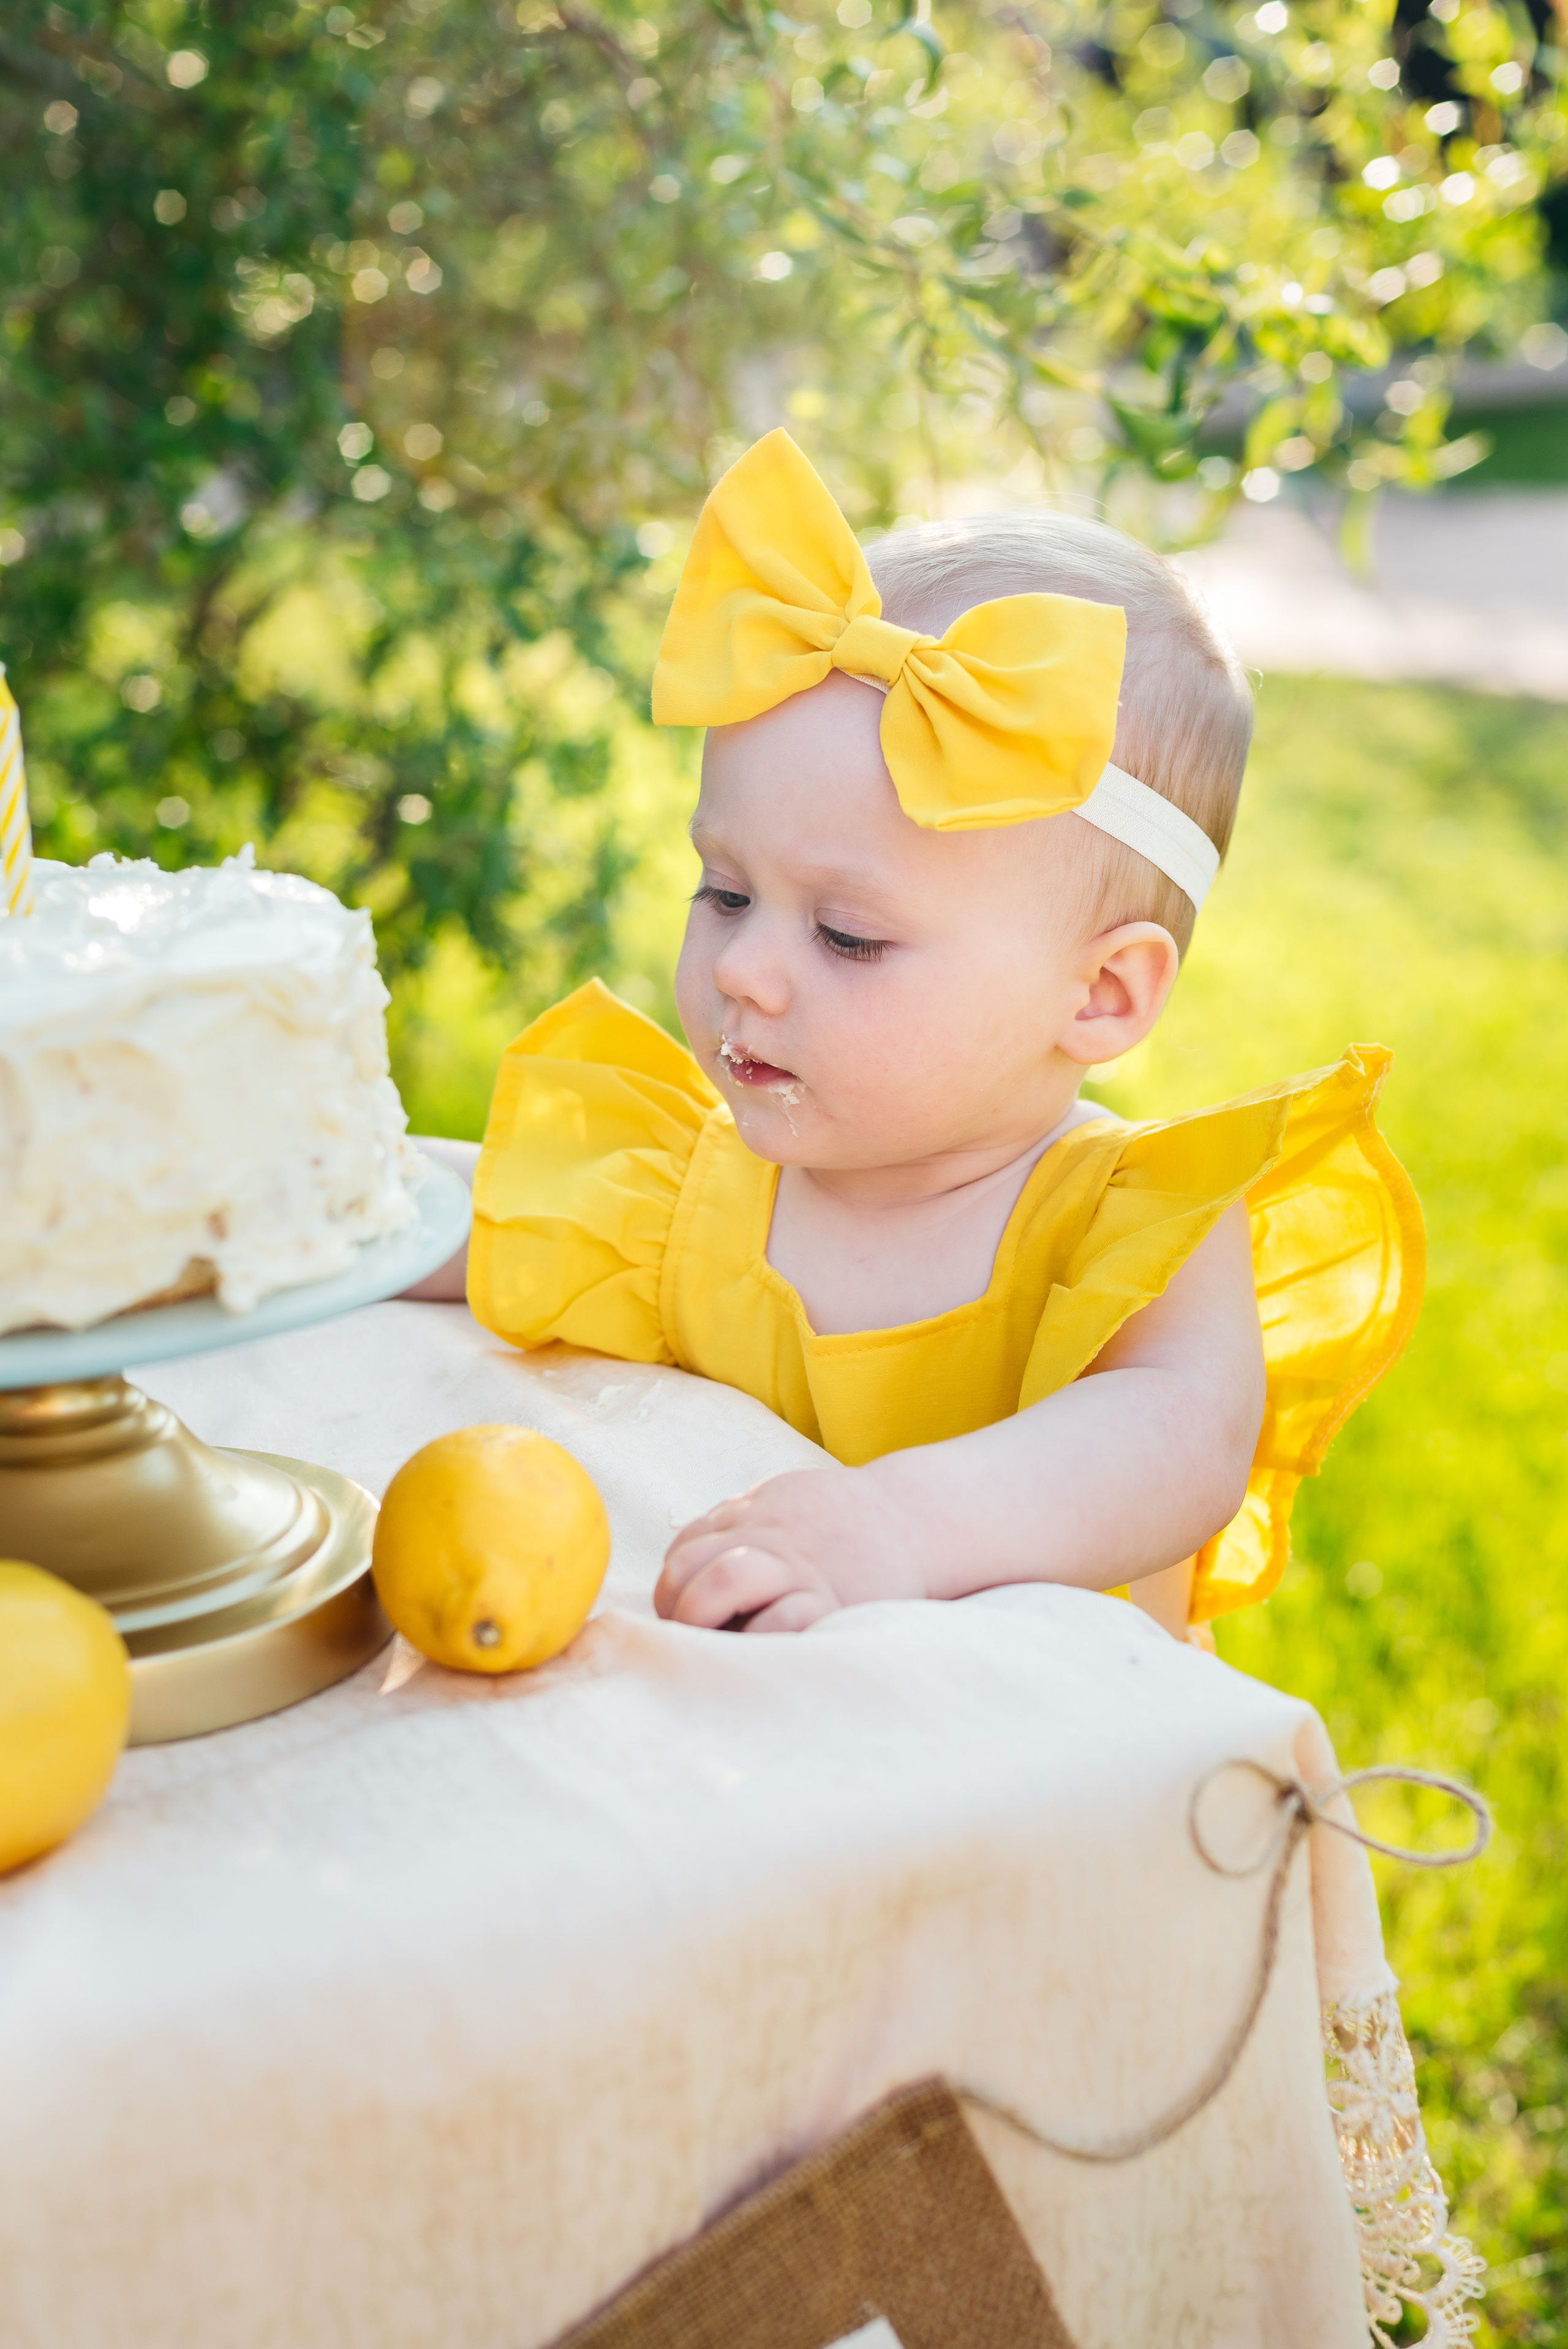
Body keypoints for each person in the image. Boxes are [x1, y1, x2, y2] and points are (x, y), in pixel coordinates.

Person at [408, 430, 1422, 1646]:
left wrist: (893, 1527)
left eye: (846, 936)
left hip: (1034, 1746)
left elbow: (1175, 1444)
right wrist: (280, 1208)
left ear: (1100, 994)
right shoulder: (692, 1201)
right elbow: (463, 1212)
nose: (739, 968)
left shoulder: (1120, 1238)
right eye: (724, 891)